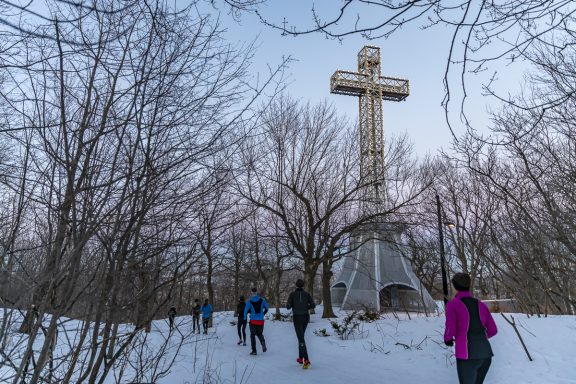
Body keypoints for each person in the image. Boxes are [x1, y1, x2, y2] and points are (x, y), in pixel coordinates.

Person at [444, 272, 498, 384]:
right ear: (469, 285)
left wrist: (448, 339)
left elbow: (450, 327)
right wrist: (480, 337)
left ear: (454, 286)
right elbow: (493, 330)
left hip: (467, 356)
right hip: (486, 355)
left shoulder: (453, 304)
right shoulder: (481, 304)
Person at [286, 278, 315, 369]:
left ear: (296, 285)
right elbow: (313, 305)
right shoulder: (307, 294)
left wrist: (292, 304)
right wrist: (306, 306)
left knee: (301, 338)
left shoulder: (292, 294)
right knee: (301, 336)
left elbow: (288, 307)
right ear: (303, 285)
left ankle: (306, 360)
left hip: (297, 318)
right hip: (306, 317)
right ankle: (300, 357)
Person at [244, 287, 269, 355]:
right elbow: (267, 308)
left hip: (253, 321)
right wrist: (263, 314)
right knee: (260, 334)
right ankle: (263, 343)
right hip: (261, 321)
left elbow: (245, 311)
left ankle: (254, 351)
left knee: (252, 335)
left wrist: (244, 318)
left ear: (251, 292)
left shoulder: (249, 301)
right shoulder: (262, 300)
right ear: (256, 292)